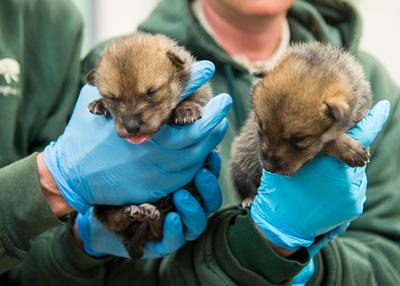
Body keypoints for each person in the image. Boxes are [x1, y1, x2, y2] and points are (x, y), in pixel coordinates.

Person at [3, 0, 400, 285]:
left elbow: (389, 258)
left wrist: (298, 262)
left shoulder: (366, 85)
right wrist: (83, 243)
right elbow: (36, 261)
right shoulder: (119, 65)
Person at [0, 0, 230, 276]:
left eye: (151, 95)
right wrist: (54, 181)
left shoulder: (54, 16)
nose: (132, 122)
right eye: (113, 100)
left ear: (178, 67)